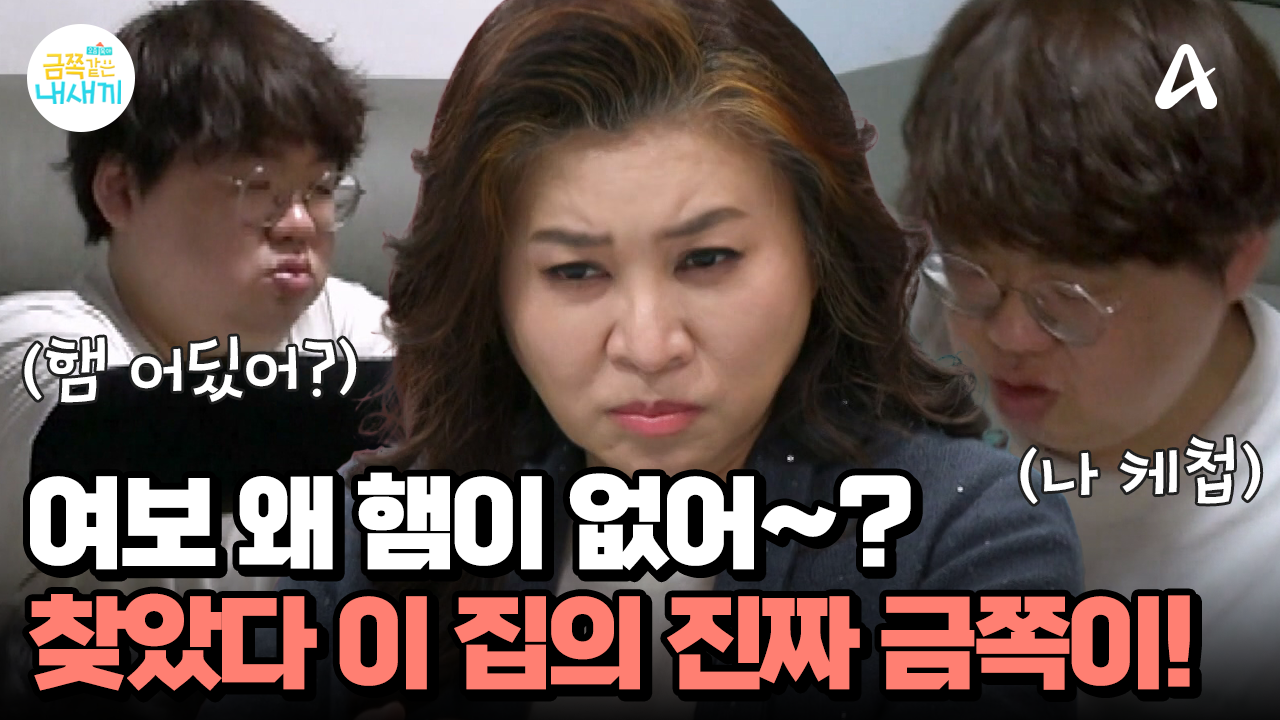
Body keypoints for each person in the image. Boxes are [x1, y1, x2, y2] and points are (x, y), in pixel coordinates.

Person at [200, 0, 1080, 718]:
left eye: (708, 260)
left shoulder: (964, 531)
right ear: (494, 293)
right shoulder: (424, 513)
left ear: (817, 256)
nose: (650, 346)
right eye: (576, 272)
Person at [901, 0, 1280, 716]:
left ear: (1235, 260)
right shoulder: (929, 322)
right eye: (973, 270)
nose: (1008, 335)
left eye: (1069, 297)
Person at [0, 0, 390, 637]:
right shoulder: (32, 345)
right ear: (121, 192)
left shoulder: (344, 322)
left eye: (321, 189)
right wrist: (455, 397)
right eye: (255, 185)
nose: (299, 223)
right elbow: (133, 432)